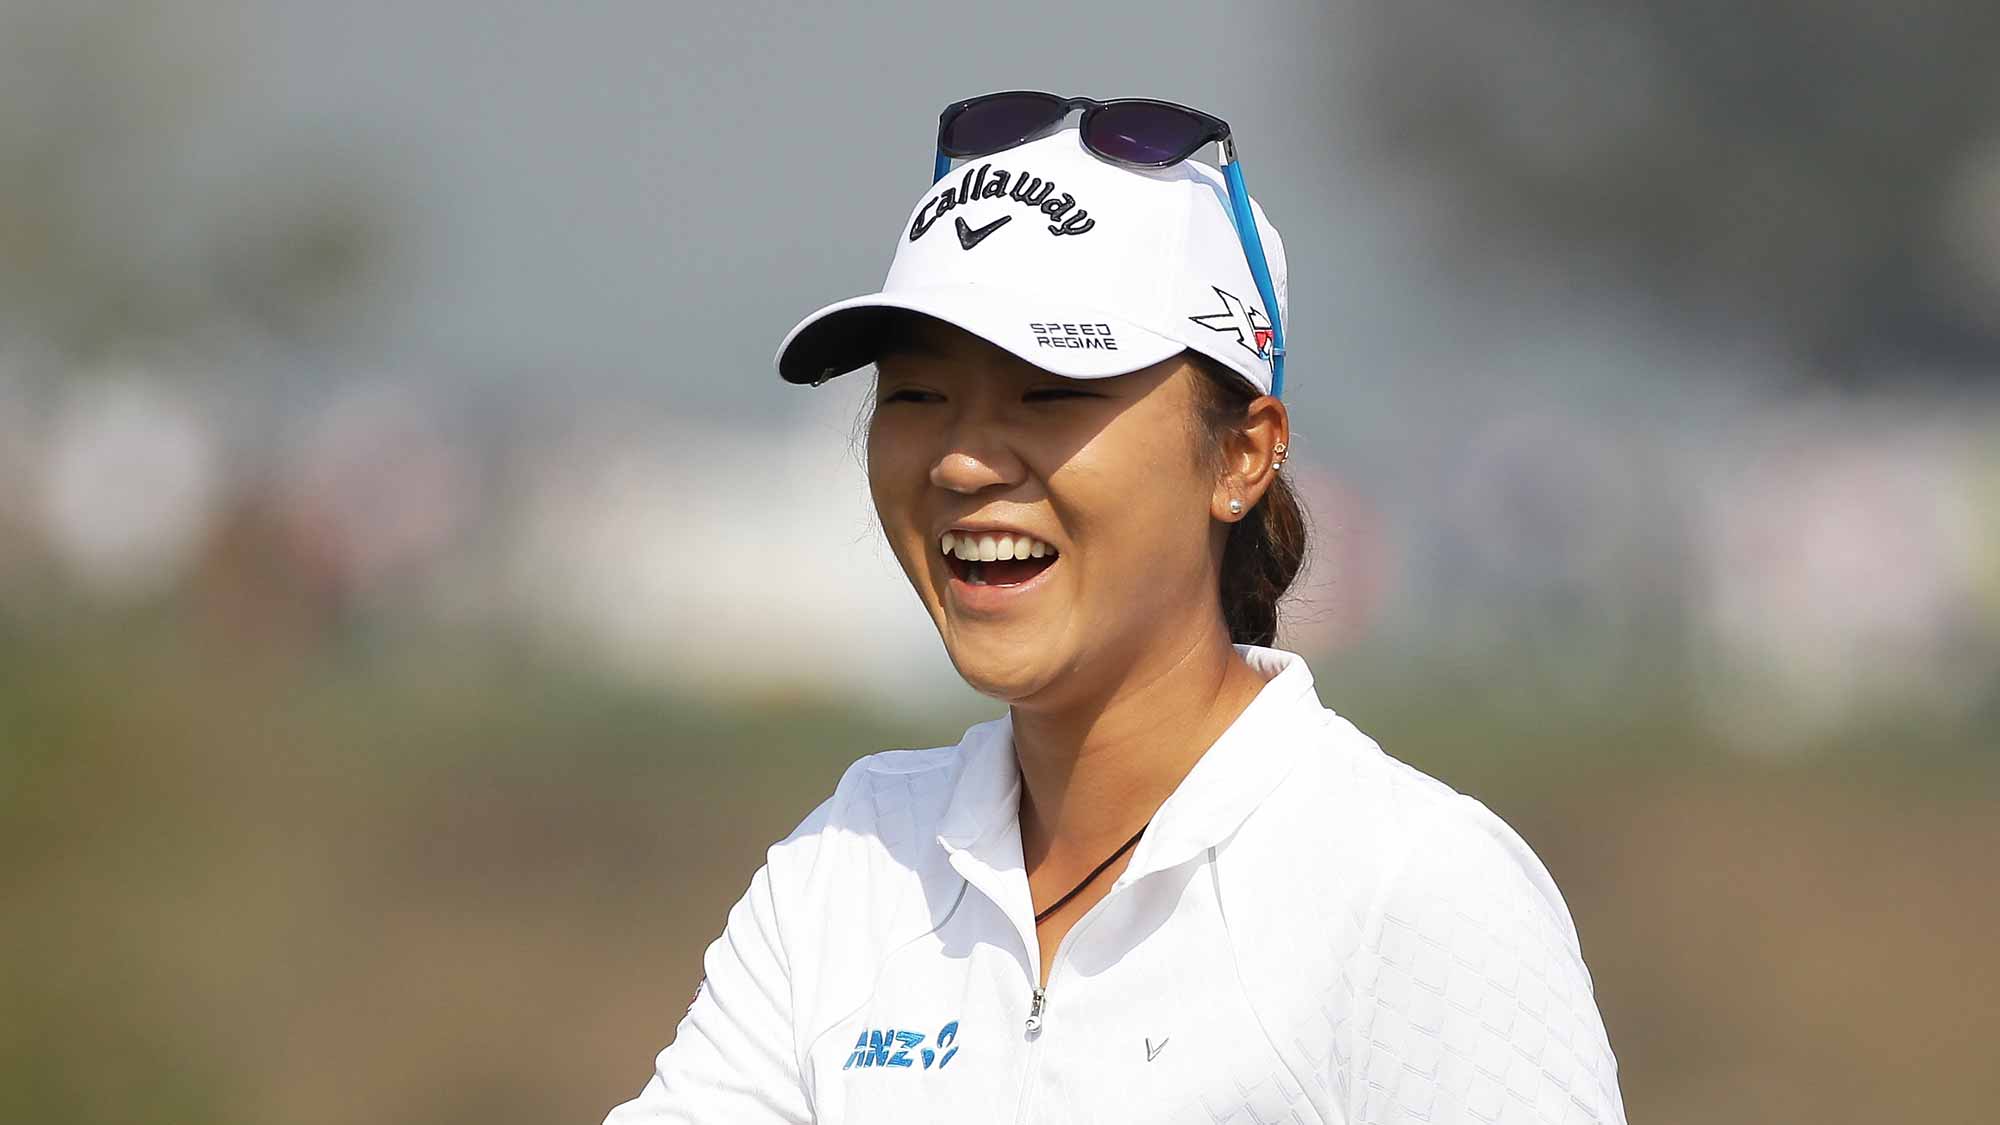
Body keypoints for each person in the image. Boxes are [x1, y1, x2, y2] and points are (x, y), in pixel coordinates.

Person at [606, 93, 1626, 1124]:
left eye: (1049, 393)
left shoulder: (1407, 887)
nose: (962, 460)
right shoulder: (847, 871)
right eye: (915, 397)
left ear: (1239, 455)